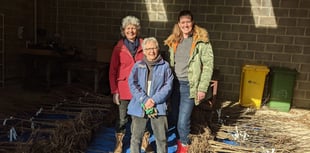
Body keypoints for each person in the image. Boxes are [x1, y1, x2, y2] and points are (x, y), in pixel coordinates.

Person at [164, 10, 214, 153]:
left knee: (182, 120)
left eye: (188, 22)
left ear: (192, 23)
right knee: (173, 115)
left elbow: (208, 66)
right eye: (182, 22)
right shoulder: (174, 41)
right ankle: (176, 141)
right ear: (178, 24)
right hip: (174, 85)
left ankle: (184, 146)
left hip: (189, 86)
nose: (185, 25)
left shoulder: (201, 42)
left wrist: (202, 88)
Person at [109, 15, 152, 153]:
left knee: (140, 117)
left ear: (137, 29)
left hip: (140, 90)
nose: (131, 31)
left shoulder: (145, 44)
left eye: (133, 28)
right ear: (123, 30)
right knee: (122, 119)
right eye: (128, 28)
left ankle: (144, 142)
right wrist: (114, 91)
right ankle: (119, 144)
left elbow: (151, 65)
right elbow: (113, 71)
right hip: (124, 89)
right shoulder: (119, 47)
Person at [127, 37, 174, 153]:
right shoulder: (138, 66)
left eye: (154, 48)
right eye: (148, 49)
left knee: (161, 139)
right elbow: (132, 83)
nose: (151, 51)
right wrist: (144, 99)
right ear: (143, 51)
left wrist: (153, 100)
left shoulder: (165, 66)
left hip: (159, 106)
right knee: (135, 138)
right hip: (139, 105)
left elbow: (168, 86)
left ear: (158, 49)